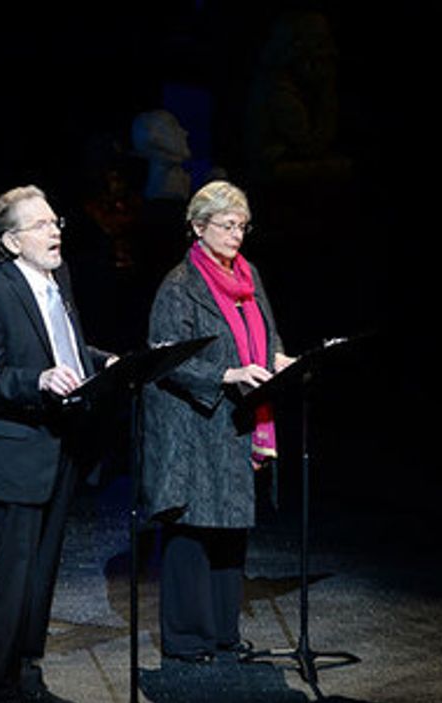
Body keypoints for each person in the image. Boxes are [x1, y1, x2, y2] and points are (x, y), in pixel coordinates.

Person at [0, 185, 114, 703]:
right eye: (41, 225)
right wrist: (38, 380)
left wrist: (101, 363)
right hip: (16, 454)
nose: (55, 232)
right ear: (10, 241)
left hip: (61, 447)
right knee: (15, 574)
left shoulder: (57, 281)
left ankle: (28, 672)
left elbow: (65, 350)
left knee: (44, 570)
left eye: (56, 221)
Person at [140, 181, 293, 663]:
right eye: (227, 225)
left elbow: (265, 335)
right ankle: (188, 637)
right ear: (199, 226)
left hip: (236, 421)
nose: (237, 235)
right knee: (194, 528)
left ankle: (224, 631)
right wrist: (226, 373)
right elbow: (165, 359)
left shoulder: (249, 277)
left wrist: (280, 359)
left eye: (242, 225)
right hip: (193, 423)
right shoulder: (180, 285)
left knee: (230, 526)